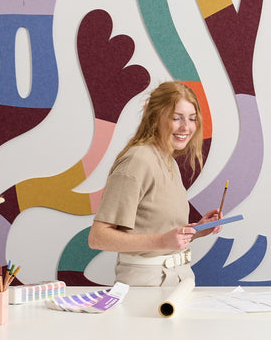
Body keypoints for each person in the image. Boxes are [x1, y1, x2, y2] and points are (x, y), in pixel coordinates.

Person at [88, 81, 222, 286]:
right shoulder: (138, 161)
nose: (186, 127)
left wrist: (194, 231)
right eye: (176, 118)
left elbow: (159, 231)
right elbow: (98, 237)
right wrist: (162, 241)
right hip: (147, 281)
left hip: (179, 276)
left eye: (192, 119)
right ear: (155, 117)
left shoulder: (169, 163)